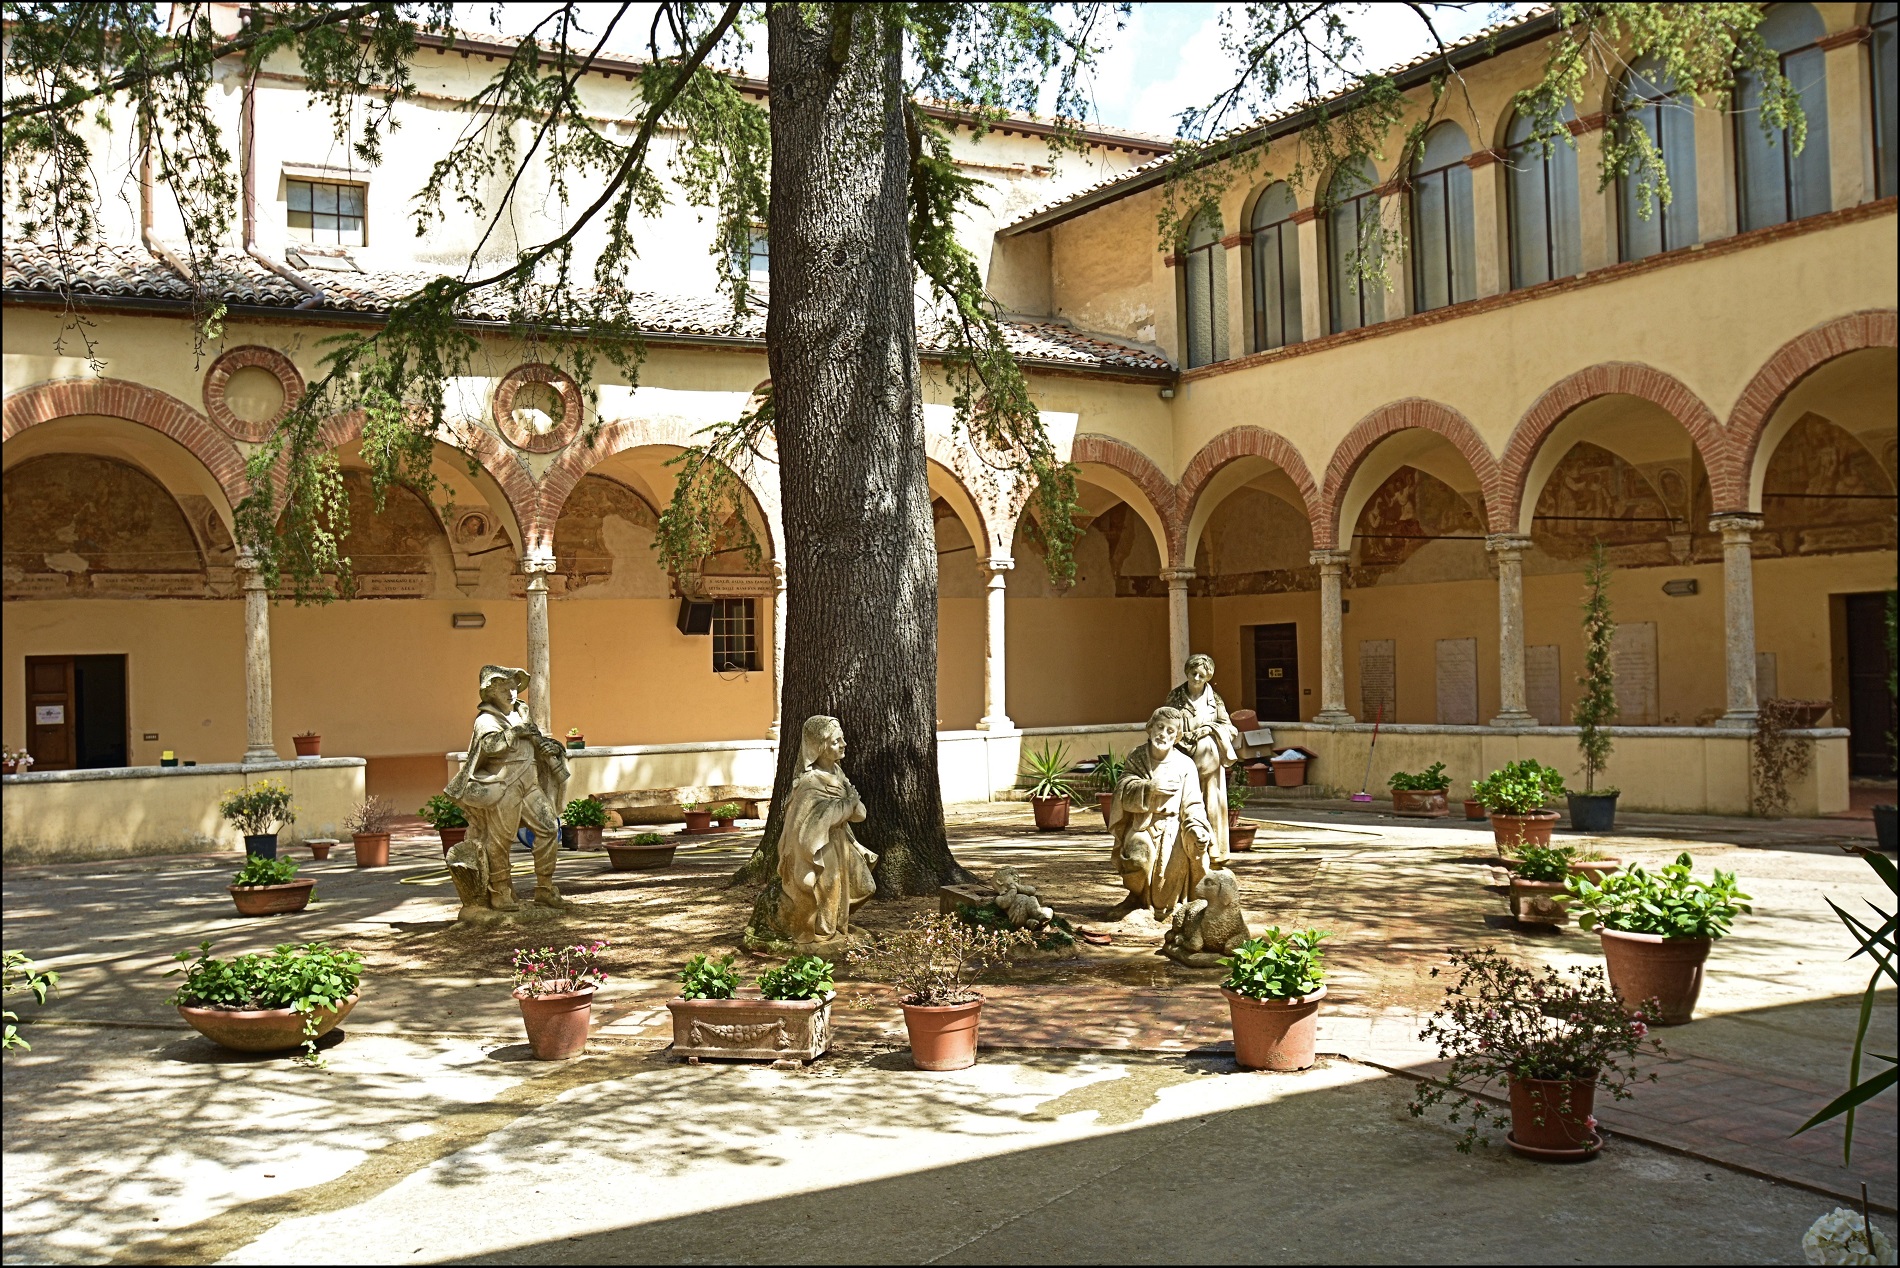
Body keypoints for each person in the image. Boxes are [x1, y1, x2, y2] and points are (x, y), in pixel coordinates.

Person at [444, 665, 569, 918]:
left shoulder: (522, 714)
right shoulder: (486, 720)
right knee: (501, 839)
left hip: (530, 782)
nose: (512, 693)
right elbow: (489, 745)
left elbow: (539, 742)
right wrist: (515, 732)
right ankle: (500, 890)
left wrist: (551, 749)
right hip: (505, 783)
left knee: (548, 828)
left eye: (514, 687)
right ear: (491, 693)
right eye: (504, 689)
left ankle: (545, 887)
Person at [775, 715, 878, 946]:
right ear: (819, 747)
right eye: (835, 741)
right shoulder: (809, 783)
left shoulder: (838, 775)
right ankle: (824, 934)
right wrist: (847, 804)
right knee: (829, 892)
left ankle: (840, 925)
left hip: (841, 840)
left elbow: (860, 814)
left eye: (842, 739)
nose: (843, 744)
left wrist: (847, 806)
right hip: (821, 848)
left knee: (865, 886)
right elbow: (816, 822)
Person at [1107, 706, 1217, 920]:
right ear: (1150, 728)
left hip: (1173, 829)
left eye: (1170, 730)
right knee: (1136, 862)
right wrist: (1149, 788)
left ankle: (1165, 905)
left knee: (1163, 898)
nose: (1163, 734)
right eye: (1160, 727)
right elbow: (1122, 790)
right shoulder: (1138, 757)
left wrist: (1197, 829)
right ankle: (1135, 897)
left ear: (1177, 736)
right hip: (1142, 825)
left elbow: (1193, 803)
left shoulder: (1185, 764)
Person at [1167, 653, 1242, 848]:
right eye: (1193, 673)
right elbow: (1165, 722)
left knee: (1210, 804)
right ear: (1187, 673)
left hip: (1209, 764)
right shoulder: (1175, 696)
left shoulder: (1214, 700)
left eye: (1201, 675)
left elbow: (1229, 727)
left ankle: (1214, 846)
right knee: (1184, 802)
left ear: (1208, 677)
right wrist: (1182, 736)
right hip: (1182, 756)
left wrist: (1209, 729)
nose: (1197, 679)